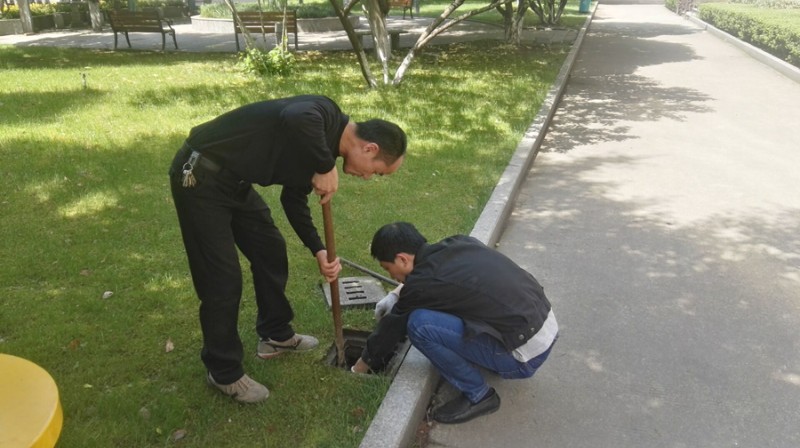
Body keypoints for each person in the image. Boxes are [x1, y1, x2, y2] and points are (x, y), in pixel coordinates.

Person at [169, 95, 406, 403]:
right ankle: (223, 372)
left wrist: (318, 249)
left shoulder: (323, 148)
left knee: (270, 249)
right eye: (377, 171)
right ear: (369, 148)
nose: (369, 177)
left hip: (235, 184)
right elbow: (295, 114)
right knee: (221, 280)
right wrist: (324, 166)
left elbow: (292, 200)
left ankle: (275, 335)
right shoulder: (325, 113)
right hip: (200, 177)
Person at [352, 222, 558, 424]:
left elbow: (391, 328)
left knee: (419, 325)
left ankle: (479, 395)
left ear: (402, 259)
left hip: (524, 356)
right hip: (544, 325)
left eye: (388, 268)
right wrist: (397, 294)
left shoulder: (423, 285)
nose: (391, 276)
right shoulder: (458, 243)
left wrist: (359, 368)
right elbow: (425, 280)